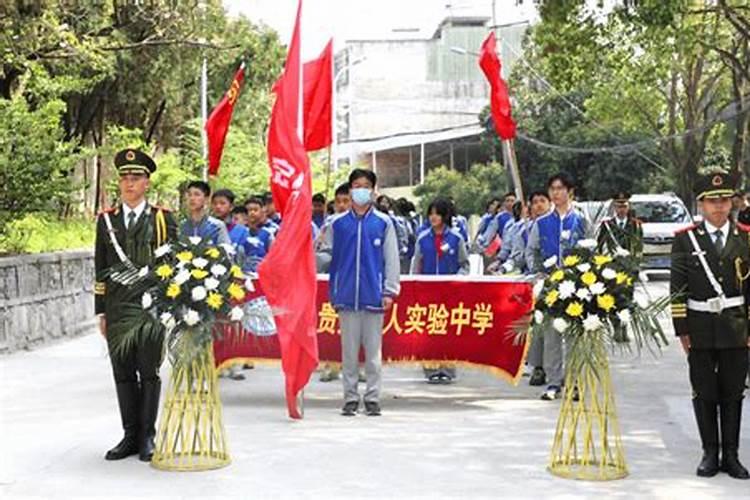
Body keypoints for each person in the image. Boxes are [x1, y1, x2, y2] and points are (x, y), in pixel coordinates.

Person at [94, 149, 178, 462]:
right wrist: (101, 310)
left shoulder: (162, 218)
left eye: (136, 177)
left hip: (150, 308)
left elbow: (172, 263)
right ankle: (129, 435)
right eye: (125, 178)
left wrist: (169, 305)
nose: (129, 184)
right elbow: (100, 266)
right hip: (117, 309)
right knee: (123, 372)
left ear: (147, 182)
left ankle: (147, 436)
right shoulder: (106, 221)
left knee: (149, 371)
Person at [670, 171, 750, 480]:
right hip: (700, 325)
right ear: (701, 205)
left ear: (732, 202)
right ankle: (709, 453)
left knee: (733, 392)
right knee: (704, 391)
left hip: (736, 326)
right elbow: (677, 288)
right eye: (711, 201)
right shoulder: (685, 239)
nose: (719, 206)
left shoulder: (745, 237)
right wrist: (682, 329)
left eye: (724, 200)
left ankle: (731, 455)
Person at [323, 169, 400, 416]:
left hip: (374, 295)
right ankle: (350, 397)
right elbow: (326, 257)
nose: (361, 190)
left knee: (374, 352)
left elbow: (392, 259)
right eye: (356, 185)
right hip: (345, 295)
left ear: (374, 190)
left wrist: (389, 290)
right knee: (348, 352)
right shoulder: (337, 224)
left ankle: (373, 397)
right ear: (350, 189)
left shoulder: (383, 223)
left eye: (366, 185)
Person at [525, 173, 589, 400]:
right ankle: (553, 382)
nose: (556, 193)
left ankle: (574, 382)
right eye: (552, 188)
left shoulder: (581, 220)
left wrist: (585, 276)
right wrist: (538, 272)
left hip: (576, 287)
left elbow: (591, 249)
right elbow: (531, 250)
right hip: (550, 286)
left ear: (569, 191)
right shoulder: (541, 223)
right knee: (551, 336)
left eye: (560, 188)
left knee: (573, 338)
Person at [411, 197, 469, 383]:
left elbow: (464, 264)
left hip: (449, 293)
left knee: (448, 332)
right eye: (431, 213)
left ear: (445, 216)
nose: (433, 217)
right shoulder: (423, 238)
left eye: (437, 213)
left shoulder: (456, 238)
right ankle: (430, 370)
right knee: (428, 332)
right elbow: (416, 264)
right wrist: (414, 285)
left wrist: (457, 280)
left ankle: (448, 370)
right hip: (427, 293)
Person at [181, 181, 231, 246]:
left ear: (206, 199)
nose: (192, 198)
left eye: (197, 194)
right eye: (189, 195)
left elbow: (226, 251)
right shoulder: (182, 226)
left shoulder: (217, 226)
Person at [597, 191, 643, 258]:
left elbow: (639, 245)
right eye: (619, 207)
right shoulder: (607, 225)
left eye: (624, 206)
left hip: (630, 262)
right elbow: (600, 245)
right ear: (614, 207)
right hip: (612, 262)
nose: (622, 210)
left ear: (628, 207)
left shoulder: (636, 225)